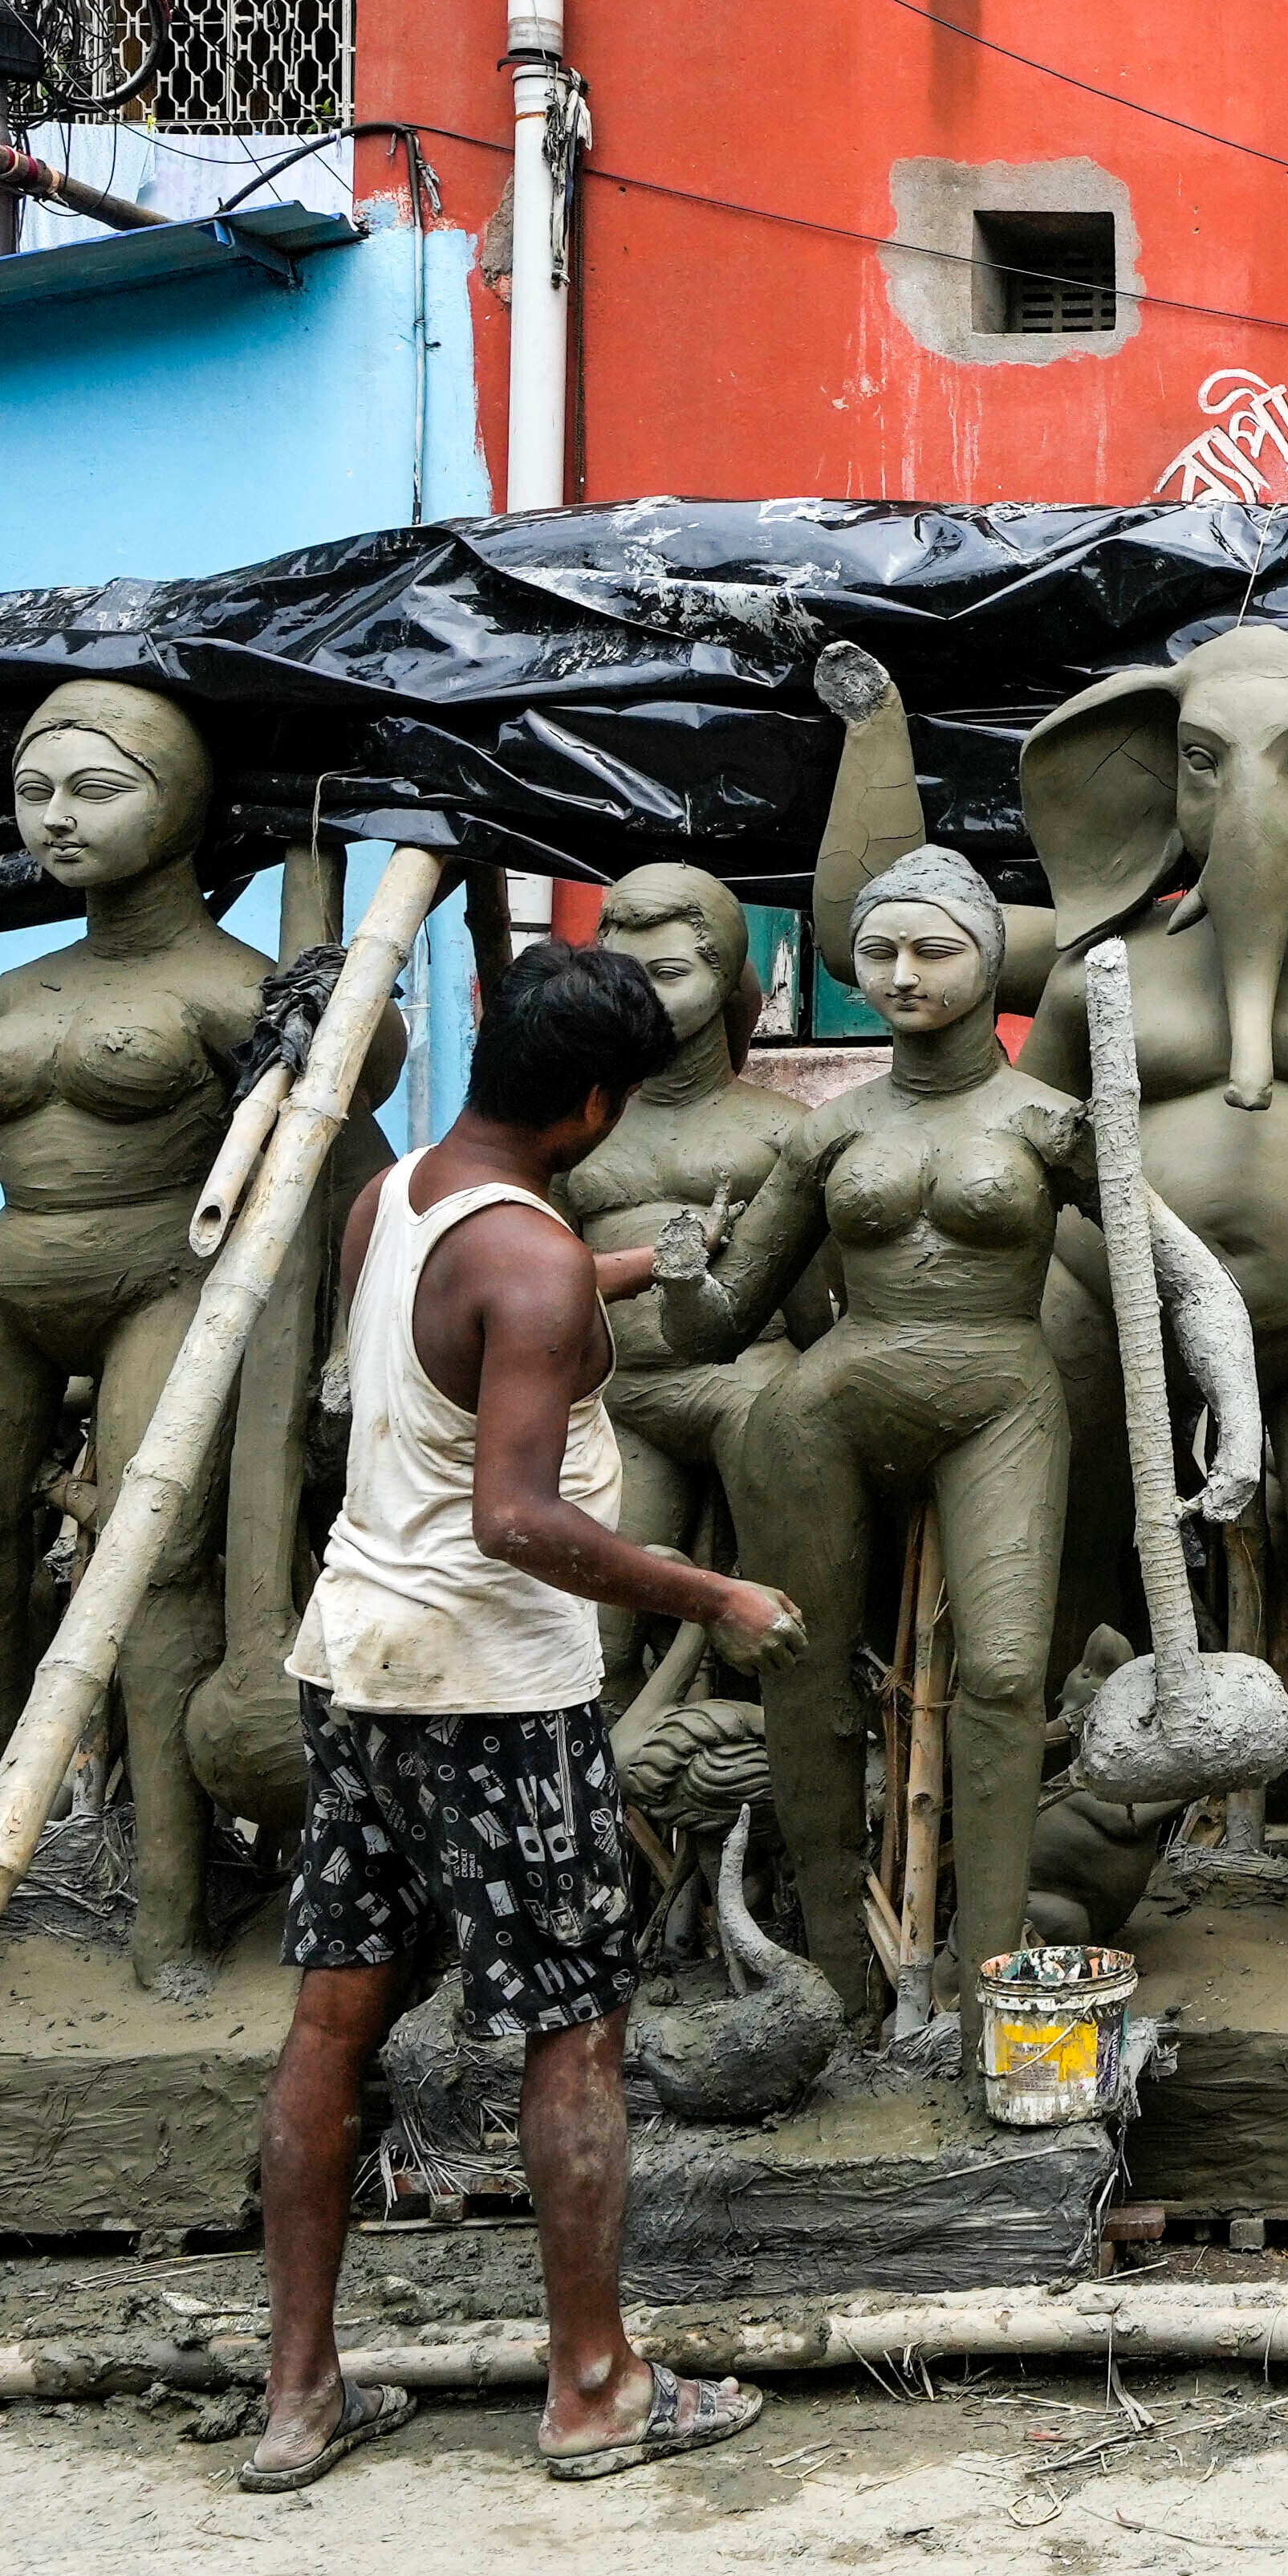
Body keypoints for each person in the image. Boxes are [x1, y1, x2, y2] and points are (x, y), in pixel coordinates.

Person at [246, 940, 806, 2494]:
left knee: (331, 2022)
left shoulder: (399, 1196)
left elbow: (471, 1321)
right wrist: (713, 1594)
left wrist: (625, 1271)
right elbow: (514, 1517)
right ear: (594, 1105)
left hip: (356, 1661)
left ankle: (297, 2396)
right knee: (576, 2029)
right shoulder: (533, 1262)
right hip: (493, 1687)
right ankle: (595, 2386)